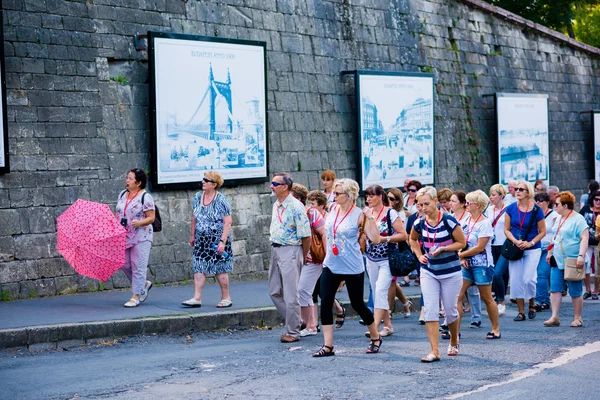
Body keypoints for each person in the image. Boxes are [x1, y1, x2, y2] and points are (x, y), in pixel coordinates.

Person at [313, 179, 381, 357]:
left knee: (357, 304)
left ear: (349, 195)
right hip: (331, 263)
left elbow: (375, 238)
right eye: (334, 193)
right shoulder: (332, 209)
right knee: (326, 301)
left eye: (337, 193)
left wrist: (371, 217)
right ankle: (328, 345)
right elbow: (329, 232)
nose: (333, 196)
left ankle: (375, 336)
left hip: (352, 266)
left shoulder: (360, 214)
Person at [409, 187, 466, 362]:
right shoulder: (419, 223)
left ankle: (454, 340)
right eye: (420, 205)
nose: (423, 208)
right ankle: (434, 351)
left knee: (450, 312)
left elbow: (461, 242)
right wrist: (419, 255)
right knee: (430, 311)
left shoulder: (448, 221)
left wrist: (444, 248)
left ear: (435, 201)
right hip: (429, 271)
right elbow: (412, 239)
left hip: (450, 271)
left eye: (426, 204)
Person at [269, 173, 311, 343]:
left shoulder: (296, 206)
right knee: (274, 291)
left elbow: (306, 236)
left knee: (291, 294)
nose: (271, 186)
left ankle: (293, 332)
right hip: (276, 248)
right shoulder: (276, 204)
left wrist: (303, 255)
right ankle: (297, 321)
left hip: (291, 250)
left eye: (274, 183)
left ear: (284, 186)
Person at [363, 185, 409, 338]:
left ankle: (374, 327)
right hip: (371, 258)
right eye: (367, 196)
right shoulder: (367, 213)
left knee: (381, 290)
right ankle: (388, 325)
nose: (368, 199)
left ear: (380, 196)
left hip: (387, 258)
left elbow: (403, 235)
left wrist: (385, 239)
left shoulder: (390, 213)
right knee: (377, 292)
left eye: (371, 196)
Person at [183, 172, 233, 308]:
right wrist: (192, 235)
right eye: (203, 179)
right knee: (199, 266)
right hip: (201, 238)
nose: (203, 182)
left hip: (217, 239)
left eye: (206, 180)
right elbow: (194, 217)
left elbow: (228, 222)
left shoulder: (221, 200)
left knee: (220, 269)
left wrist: (222, 242)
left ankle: (226, 297)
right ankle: (196, 298)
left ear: (214, 184)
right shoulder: (198, 196)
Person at [457, 190, 501, 339]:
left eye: (469, 203)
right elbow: (461, 242)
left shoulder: (485, 223)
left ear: (478, 205)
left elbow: (480, 247)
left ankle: (495, 328)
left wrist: (461, 255)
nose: (466, 205)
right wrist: (462, 258)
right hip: (466, 265)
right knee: (458, 295)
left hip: (482, 265)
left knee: (487, 297)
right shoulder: (465, 221)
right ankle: (455, 331)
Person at [503, 180, 546, 321]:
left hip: (532, 248)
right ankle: (521, 312)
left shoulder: (536, 210)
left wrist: (530, 243)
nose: (518, 191)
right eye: (516, 189)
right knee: (515, 280)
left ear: (528, 192)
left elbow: (542, 232)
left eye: (521, 189)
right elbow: (506, 230)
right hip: (515, 247)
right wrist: (515, 241)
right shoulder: (510, 208)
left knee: (529, 279)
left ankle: (532, 303)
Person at [544, 192, 588, 327]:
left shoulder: (578, 219)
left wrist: (581, 255)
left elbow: (584, 238)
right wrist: (550, 251)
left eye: (557, 204)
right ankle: (554, 316)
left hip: (573, 259)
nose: (554, 206)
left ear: (566, 205)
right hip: (557, 258)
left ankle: (577, 317)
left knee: (575, 290)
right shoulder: (559, 218)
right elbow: (555, 237)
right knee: (555, 289)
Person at [116, 168, 155, 308]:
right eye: (127, 177)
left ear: (138, 183)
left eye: (130, 178)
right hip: (125, 235)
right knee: (124, 263)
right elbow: (119, 213)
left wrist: (139, 222)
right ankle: (143, 284)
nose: (127, 180)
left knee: (138, 265)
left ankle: (135, 296)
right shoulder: (122, 195)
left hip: (141, 236)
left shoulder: (145, 197)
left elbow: (151, 217)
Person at [307, 190, 346, 330]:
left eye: (313, 204)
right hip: (315, 258)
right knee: (313, 291)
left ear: (322, 205)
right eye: (309, 203)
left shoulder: (329, 218)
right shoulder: (311, 217)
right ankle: (315, 323)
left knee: (323, 291)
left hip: (326, 257)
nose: (310, 207)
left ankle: (339, 309)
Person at [291, 184, 326, 337]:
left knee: (303, 290)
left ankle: (310, 325)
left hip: (313, 259)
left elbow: (324, 234)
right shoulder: (290, 213)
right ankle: (307, 323)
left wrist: (327, 258)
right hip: (298, 258)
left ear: (298, 199)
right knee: (302, 291)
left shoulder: (312, 213)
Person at [449, 190, 481, 328]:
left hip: (467, 255)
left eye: (453, 201)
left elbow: (468, 240)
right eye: (450, 201)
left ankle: (476, 316)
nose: (450, 203)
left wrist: (463, 255)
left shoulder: (468, 218)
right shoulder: (449, 217)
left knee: (472, 290)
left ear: (462, 204)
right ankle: (450, 320)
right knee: (454, 290)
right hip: (452, 256)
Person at [386, 188, 412, 318]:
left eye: (391, 198)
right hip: (386, 249)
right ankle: (406, 303)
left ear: (397, 201)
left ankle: (389, 310)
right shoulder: (386, 212)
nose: (388, 200)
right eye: (387, 197)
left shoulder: (398, 214)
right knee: (392, 281)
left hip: (395, 250)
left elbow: (399, 232)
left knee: (391, 281)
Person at [533, 192, 559, 311]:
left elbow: (556, 232)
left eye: (541, 200)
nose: (538, 202)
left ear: (548, 202)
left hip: (548, 248)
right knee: (535, 275)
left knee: (542, 274)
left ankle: (539, 300)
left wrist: (552, 247)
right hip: (535, 247)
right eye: (536, 200)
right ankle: (545, 300)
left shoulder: (554, 215)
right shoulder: (534, 214)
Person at [486, 184, 509, 315]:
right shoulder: (489, 209)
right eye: (490, 195)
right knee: (495, 272)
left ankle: (501, 301)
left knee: (499, 273)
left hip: (504, 243)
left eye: (494, 195)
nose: (491, 197)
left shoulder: (508, 209)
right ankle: (498, 295)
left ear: (501, 196)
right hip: (492, 244)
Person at [579, 189, 600, 300]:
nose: (598, 202)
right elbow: (578, 220)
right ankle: (587, 290)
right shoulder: (586, 208)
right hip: (586, 241)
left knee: (597, 267)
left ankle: (596, 290)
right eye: (596, 199)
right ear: (592, 199)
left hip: (598, 243)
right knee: (586, 266)